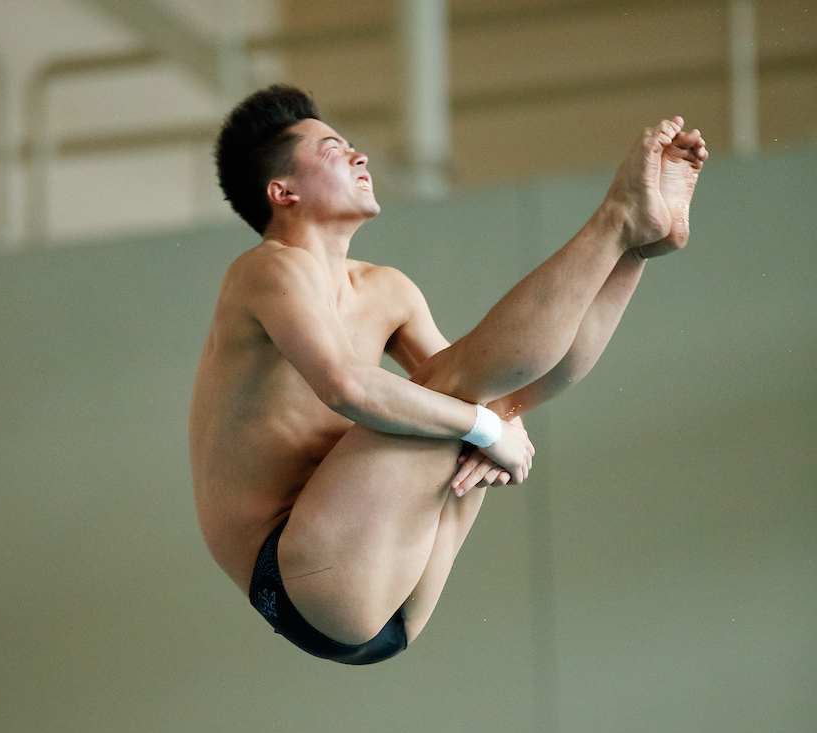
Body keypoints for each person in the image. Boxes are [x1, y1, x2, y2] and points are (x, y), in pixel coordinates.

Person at [190, 86, 707, 665]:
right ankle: (618, 220)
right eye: (335, 150)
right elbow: (345, 386)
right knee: (464, 400)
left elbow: (506, 390)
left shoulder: (387, 288)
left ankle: (636, 248)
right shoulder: (265, 268)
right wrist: (486, 429)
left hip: (394, 593)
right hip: (301, 577)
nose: (360, 157)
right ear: (282, 192)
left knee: (487, 400)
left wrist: (492, 426)